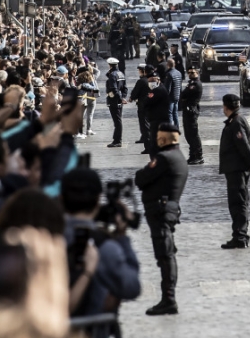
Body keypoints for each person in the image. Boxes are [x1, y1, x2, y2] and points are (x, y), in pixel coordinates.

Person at [62, 168, 141, 320]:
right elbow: (132, 287)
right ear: (98, 200)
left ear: (61, 199)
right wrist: (122, 239)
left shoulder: (46, 239)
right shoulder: (105, 248)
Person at [135, 123, 189, 316]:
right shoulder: (179, 156)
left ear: (163, 139)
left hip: (160, 212)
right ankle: (168, 297)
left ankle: (168, 299)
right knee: (167, 255)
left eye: (158, 138)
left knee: (165, 256)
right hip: (167, 211)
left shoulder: (165, 158)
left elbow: (140, 178)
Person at [219, 94, 250, 249]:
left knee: (238, 203)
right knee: (237, 202)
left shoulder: (236, 123)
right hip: (235, 168)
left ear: (226, 107)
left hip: (237, 170)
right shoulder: (236, 121)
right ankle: (239, 235)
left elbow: (244, 145)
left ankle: (240, 237)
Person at [144, 72, 171, 159]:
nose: (150, 83)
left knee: (155, 144)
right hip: (159, 119)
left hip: (158, 120)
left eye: (152, 81)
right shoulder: (160, 89)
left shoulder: (157, 90)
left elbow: (146, 102)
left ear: (158, 80)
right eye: (149, 81)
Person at [180, 68, 203, 164]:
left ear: (197, 73)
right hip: (187, 110)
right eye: (188, 72)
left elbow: (185, 94)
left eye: (192, 73)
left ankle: (198, 156)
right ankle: (192, 155)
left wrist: (184, 97)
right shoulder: (191, 83)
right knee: (188, 135)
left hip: (191, 110)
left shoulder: (195, 84)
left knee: (193, 134)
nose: (190, 74)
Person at [105, 57, 128, 147]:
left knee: (117, 121)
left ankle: (118, 140)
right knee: (118, 120)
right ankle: (116, 138)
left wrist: (119, 98)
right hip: (119, 100)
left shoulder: (113, 75)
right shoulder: (120, 74)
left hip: (114, 100)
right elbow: (125, 88)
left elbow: (114, 88)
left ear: (110, 65)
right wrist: (123, 97)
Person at [130, 64, 151, 151]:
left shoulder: (141, 81)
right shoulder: (153, 80)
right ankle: (145, 138)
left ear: (143, 71)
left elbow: (135, 92)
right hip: (151, 105)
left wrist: (132, 98)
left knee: (145, 125)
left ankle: (148, 146)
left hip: (143, 105)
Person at [164, 59, 182, 127]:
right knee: (175, 113)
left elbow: (168, 89)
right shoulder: (178, 73)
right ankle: (177, 128)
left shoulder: (169, 74)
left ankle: (170, 129)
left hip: (170, 97)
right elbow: (180, 86)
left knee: (169, 114)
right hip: (177, 96)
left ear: (168, 65)